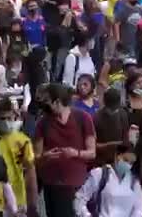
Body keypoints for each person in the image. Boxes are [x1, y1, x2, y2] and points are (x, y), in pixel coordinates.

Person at [34, 83, 97, 217]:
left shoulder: (83, 118)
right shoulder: (43, 123)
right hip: (53, 185)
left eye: (47, 102)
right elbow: (36, 158)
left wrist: (76, 153)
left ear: (57, 101)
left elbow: (92, 153)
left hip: (77, 185)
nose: (45, 106)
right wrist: (46, 157)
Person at [0, 98, 37, 215]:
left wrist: (32, 205)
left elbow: (30, 173)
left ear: (15, 117)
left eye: (9, 118)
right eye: (2, 118)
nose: (6, 121)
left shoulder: (23, 141)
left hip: (18, 199)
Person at [73, 143, 142, 217]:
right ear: (116, 156)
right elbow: (80, 199)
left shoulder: (133, 182)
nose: (128, 165)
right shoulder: (100, 174)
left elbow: (139, 207)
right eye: (125, 160)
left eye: (131, 163)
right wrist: (86, 215)